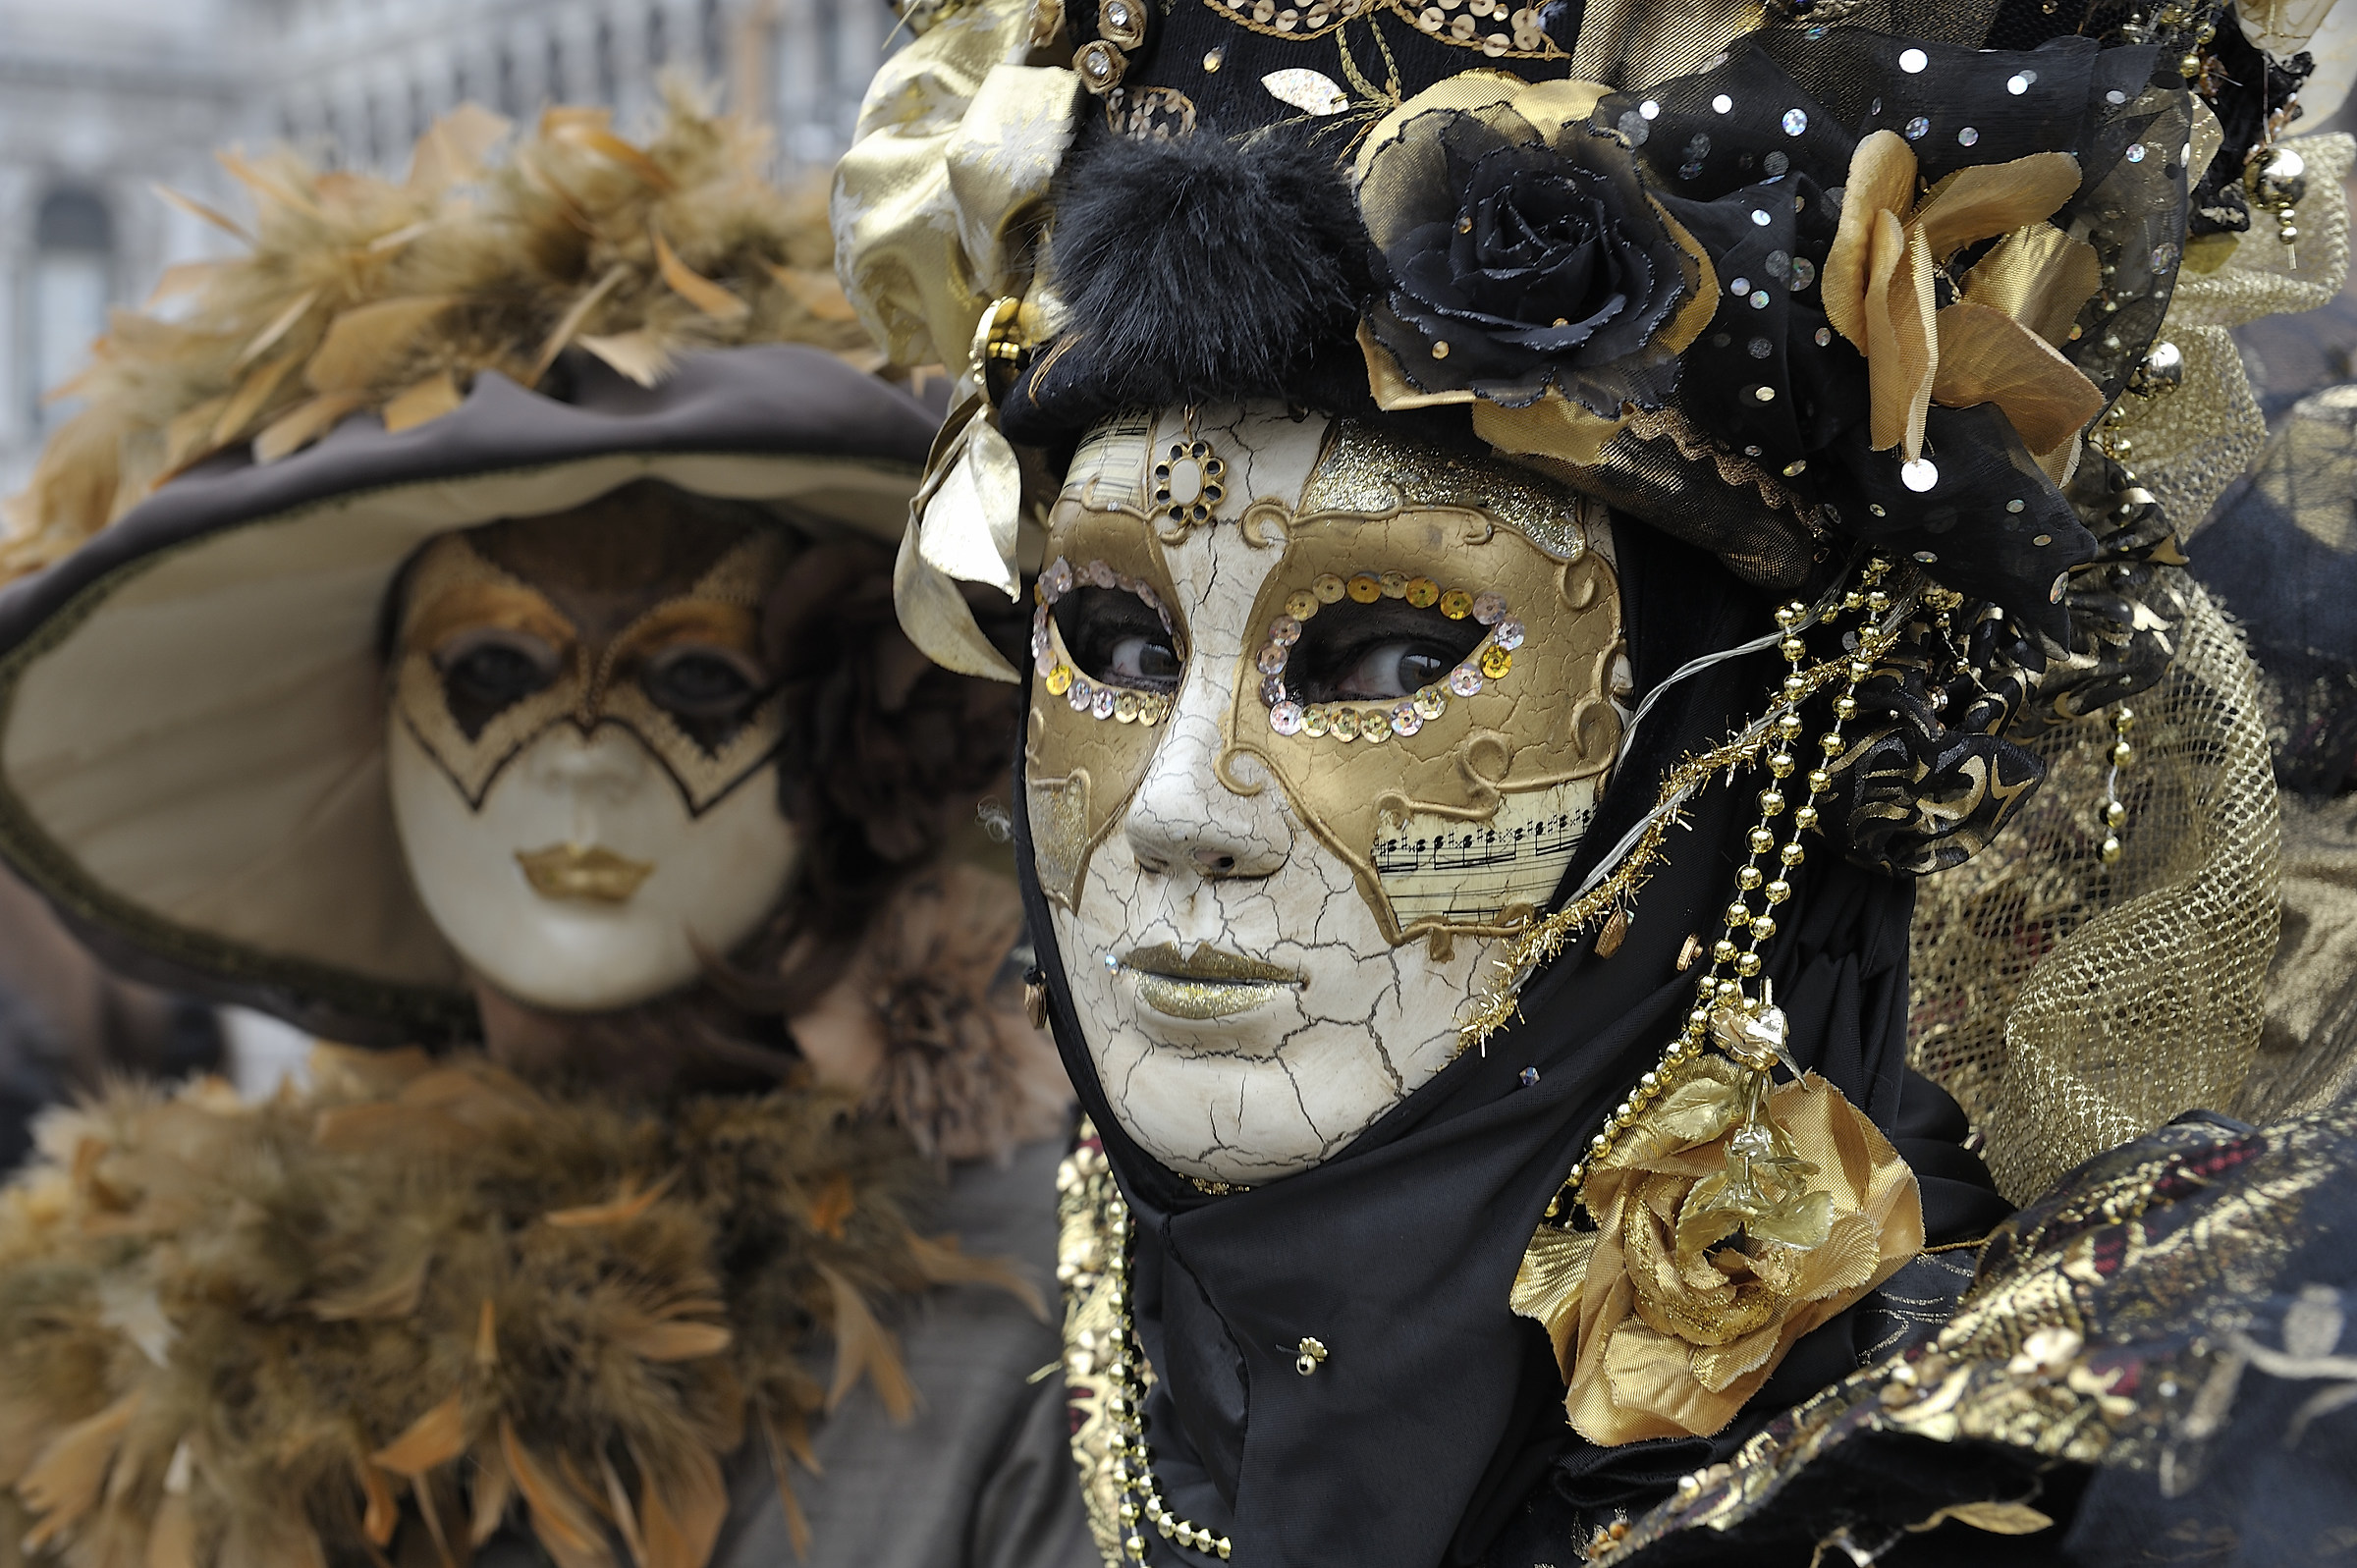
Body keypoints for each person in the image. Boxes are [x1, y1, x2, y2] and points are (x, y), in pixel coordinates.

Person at [833, 0, 2357, 1560]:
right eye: (1114, 643)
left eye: (1380, 655)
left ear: (1724, 752)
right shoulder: (1009, 1375)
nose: (1177, 811)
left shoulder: (2095, 1480)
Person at [0, 97, 1096, 1568]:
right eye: (494, 674)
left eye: (694, 680)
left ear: (845, 734)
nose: (580, 766)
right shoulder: (176, 1327)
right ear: (377, 734)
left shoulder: (1049, 1314)